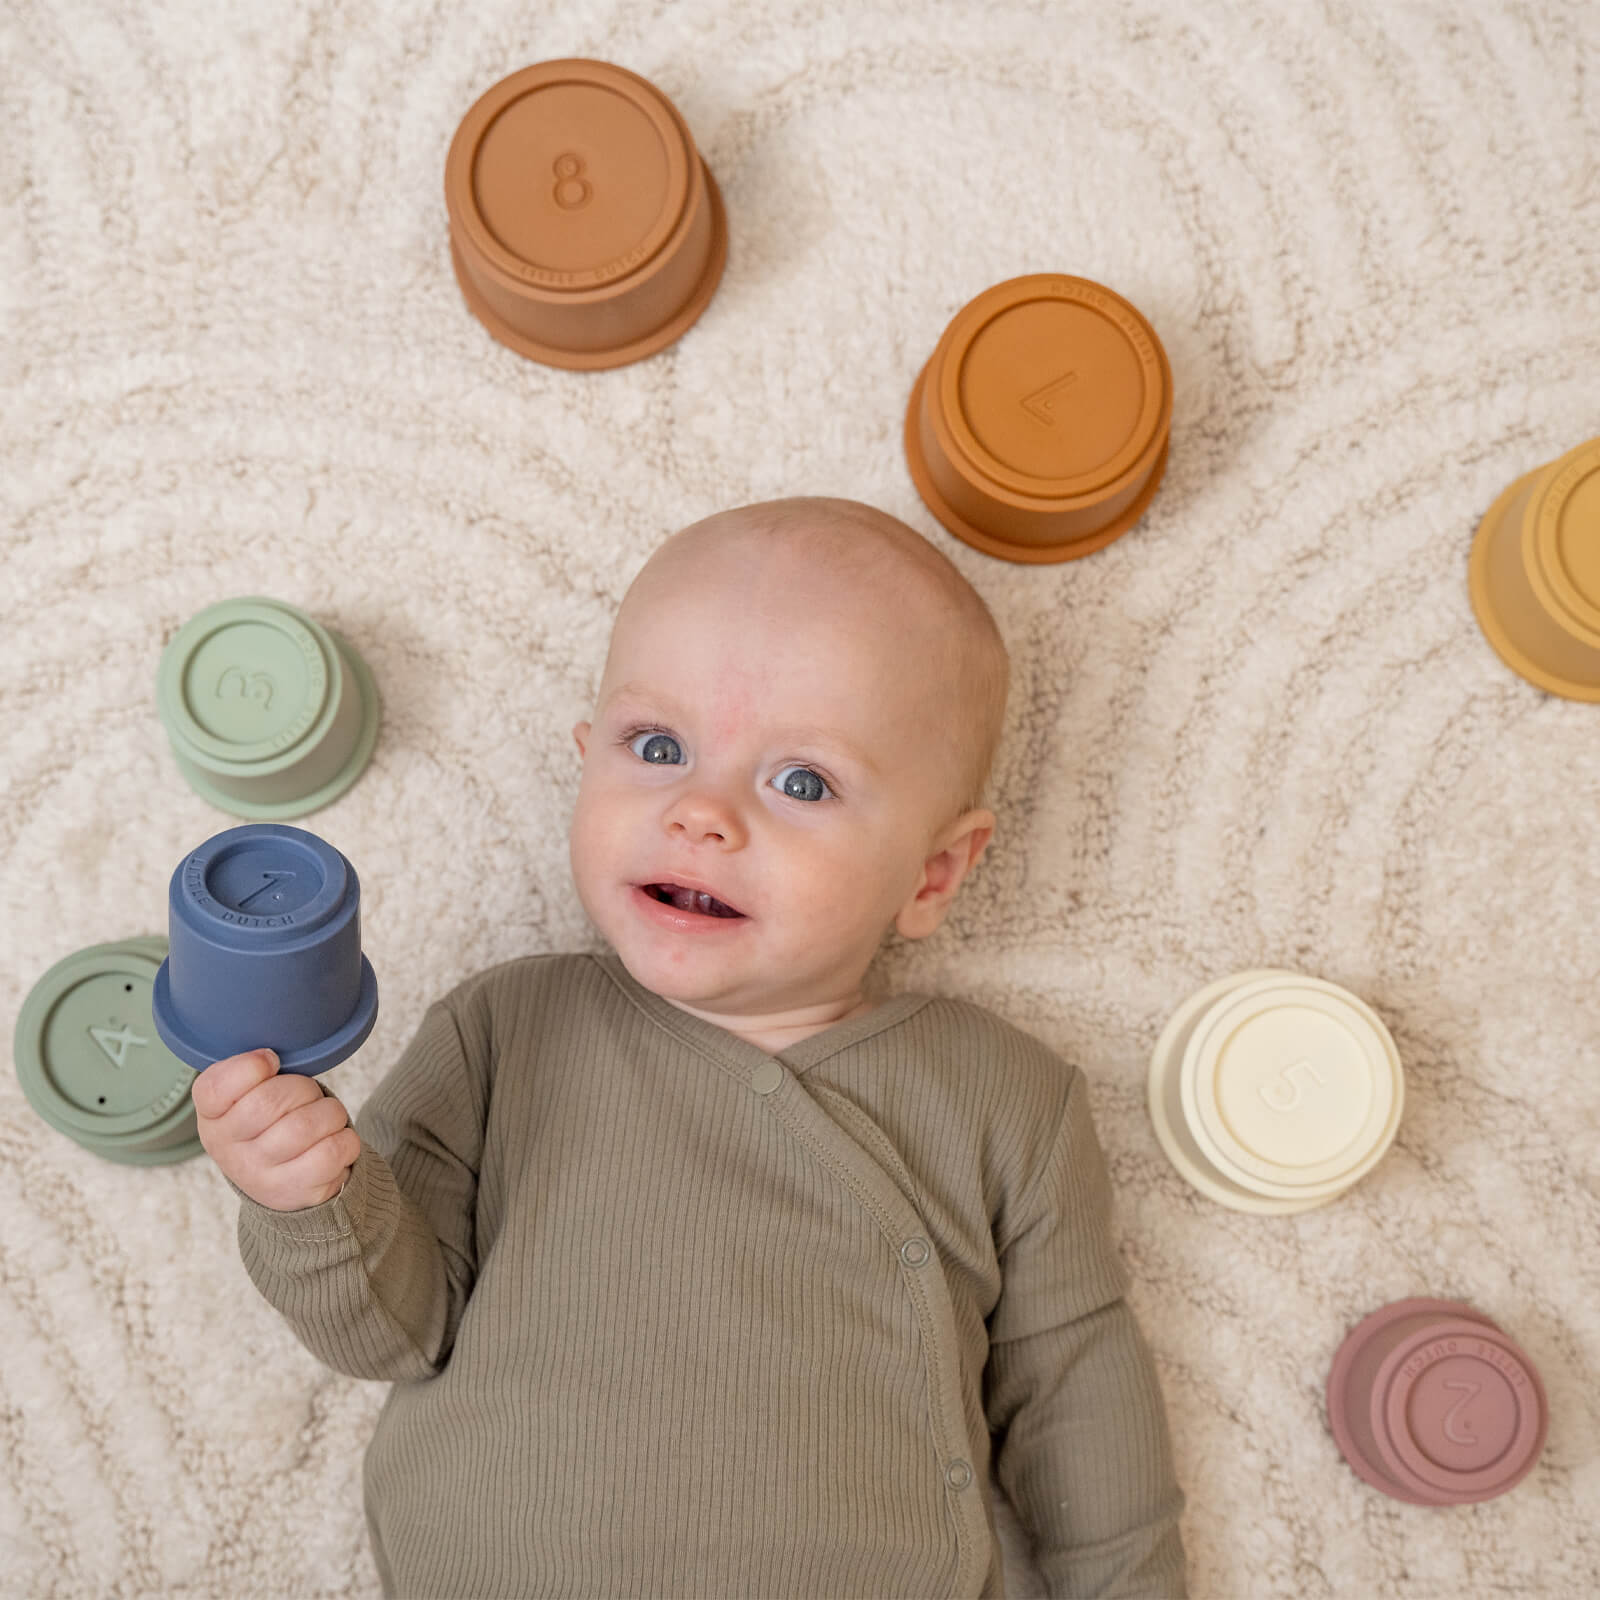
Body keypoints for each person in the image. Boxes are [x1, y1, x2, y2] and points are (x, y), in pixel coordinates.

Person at [193, 496, 1187, 1598]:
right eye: (656, 747)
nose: (701, 811)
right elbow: (391, 1328)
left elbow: (1081, 1397)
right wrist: (309, 1193)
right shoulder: (506, 1029)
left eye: (800, 780)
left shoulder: (1005, 1097)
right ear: (586, 761)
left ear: (933, 873)